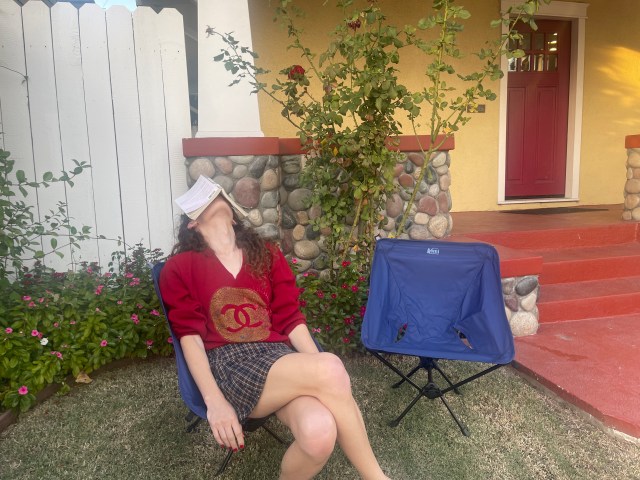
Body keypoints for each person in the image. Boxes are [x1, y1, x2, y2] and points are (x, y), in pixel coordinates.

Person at [159, 176, 390, 480]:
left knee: (319, 433)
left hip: (277, 356)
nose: (216, 198)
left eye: (219, 196)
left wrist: (325, 373)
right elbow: (190, 338)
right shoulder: (179, 267)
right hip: (230, 364)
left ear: (232, 210)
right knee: (331, 370)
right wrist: (214, 402)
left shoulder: (267, 255)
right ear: (192, 223)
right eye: (206, 199)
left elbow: (290, 319)